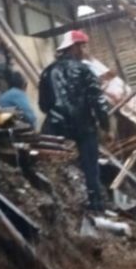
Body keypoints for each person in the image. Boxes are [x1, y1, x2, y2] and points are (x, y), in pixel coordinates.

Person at [38, 30, 111, 212]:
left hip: (55, 125)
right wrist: (106, 126)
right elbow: (98, 101)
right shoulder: (85, 70)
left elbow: (43, 104)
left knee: (52, 166)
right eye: (83, 46)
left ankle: (59, 206)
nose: (85, 50)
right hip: (84, 125)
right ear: (74, 47)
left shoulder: (47, 72)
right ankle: (96, 206)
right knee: (90, 167)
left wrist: (57, 113)